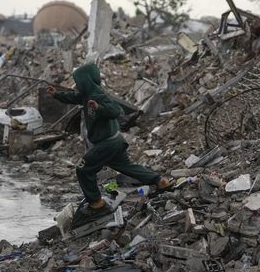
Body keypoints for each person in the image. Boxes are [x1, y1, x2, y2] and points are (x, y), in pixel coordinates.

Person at [46, 63, 171, 212]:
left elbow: (116, 110)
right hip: (115, 141)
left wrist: (99, 108)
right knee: (127, 167)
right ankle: (160, 181)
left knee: (83, 169)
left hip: (107, 143)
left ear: (85, 81)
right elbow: (73, 97)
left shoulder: (98, 96)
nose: (77, 85)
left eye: (79, 82)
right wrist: (56, 94)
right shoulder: (87, 95)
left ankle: (96, 203)